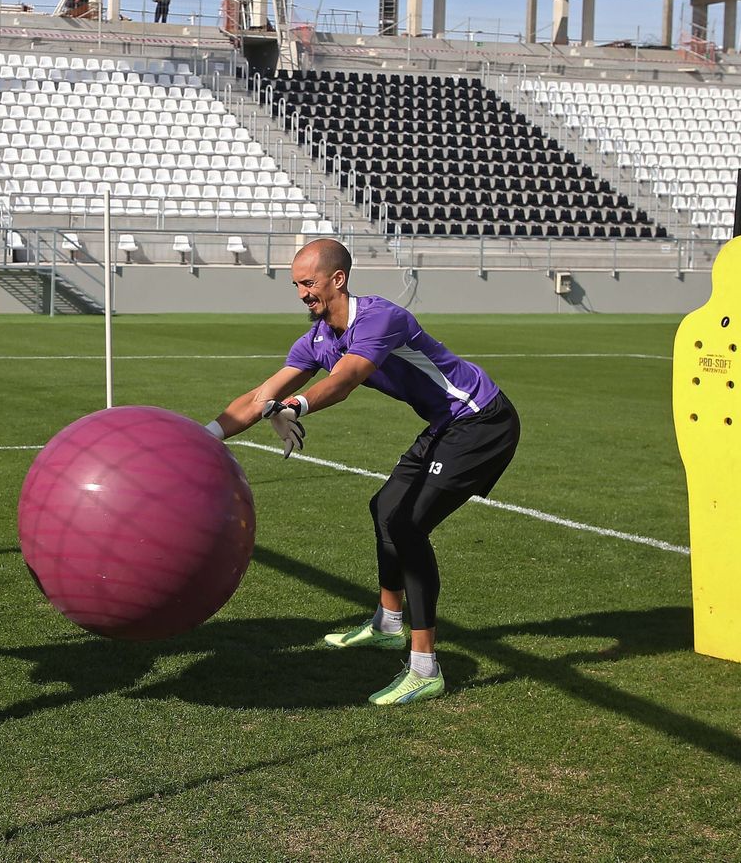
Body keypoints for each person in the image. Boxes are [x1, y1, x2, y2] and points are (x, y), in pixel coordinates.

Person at [203, 239, 520, 706]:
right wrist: (201, 436)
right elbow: (257, 398)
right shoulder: (316, 339)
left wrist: (293, 406)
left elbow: (346, 379)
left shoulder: (380, 318)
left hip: (481, 420)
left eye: (308, 283)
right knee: (386, 508)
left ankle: (424, 668)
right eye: (296, 285)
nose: (301, 294)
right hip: (446, 425)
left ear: (338, 279)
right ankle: (389, 624)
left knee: (408, 526)